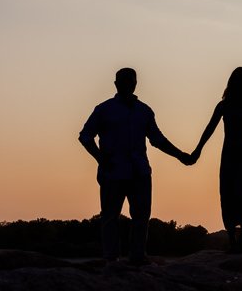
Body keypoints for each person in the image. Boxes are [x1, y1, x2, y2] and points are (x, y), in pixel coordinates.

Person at [79, 67, 194, 265]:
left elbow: (157, 139)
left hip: (139, 171)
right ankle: (111, 258)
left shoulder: (144, 111)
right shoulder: (104, 110)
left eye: (131, 81)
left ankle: (138, 256)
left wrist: (180, 155)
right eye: (124, 81)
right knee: (110, 216)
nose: (128, 84)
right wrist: (100, 158)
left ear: (136, 83)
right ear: (116, 84)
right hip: (112, 171)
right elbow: (85, 136)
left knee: (141, 215)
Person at [191, 67, 242, 253]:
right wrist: (197, 150)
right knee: (229, 193)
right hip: (233, 154)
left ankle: (241, 235)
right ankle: (234, 237)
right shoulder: (226, 105)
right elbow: (209, 129)